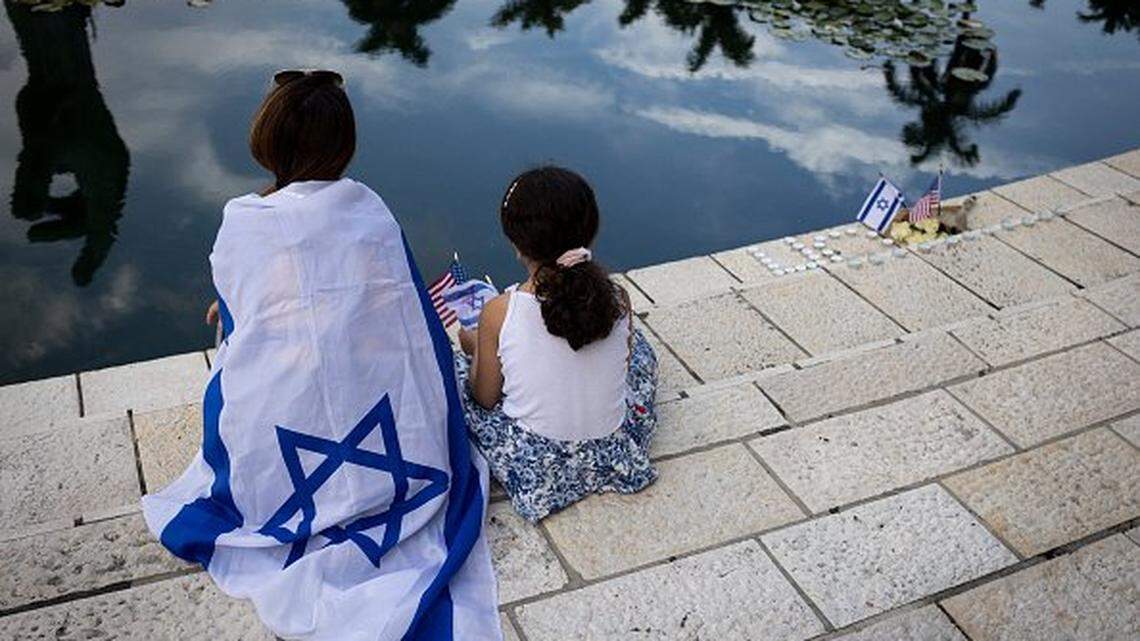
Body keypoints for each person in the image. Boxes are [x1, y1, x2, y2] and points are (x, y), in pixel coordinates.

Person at [142, 70, 501, 641]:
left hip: (288, 412)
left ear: (268, 142)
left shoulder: (244, 222)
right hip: (385, 413)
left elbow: (249, 325)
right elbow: (409, 324)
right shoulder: (369, 210)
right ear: (344, 145)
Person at [456, 166, 659, 523]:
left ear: (516, 242)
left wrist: (475, 348)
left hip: (540, 466)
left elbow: (485, 398)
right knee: (638, 348)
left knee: (458, 375)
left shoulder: (500, 312)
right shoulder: (617, 298)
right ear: (589, 232)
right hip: (613, 451)